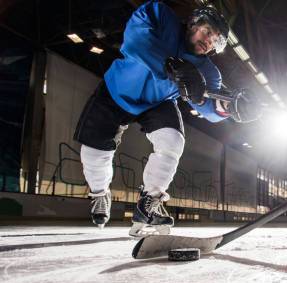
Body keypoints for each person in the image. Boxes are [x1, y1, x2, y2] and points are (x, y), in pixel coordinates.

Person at [75, 1, 259, 236]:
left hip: (158, 102)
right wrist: (171, 65)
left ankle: (149, 202)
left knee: (173, 142)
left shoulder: (208, 71)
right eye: (207, 31)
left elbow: (209, 105)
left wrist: (231, 107)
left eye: (216, 41)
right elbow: (136, 40)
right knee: (94, 153)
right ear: (193, 23)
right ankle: (100, 193)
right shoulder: (159, 15)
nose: (209, 41)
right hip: (116, 91)